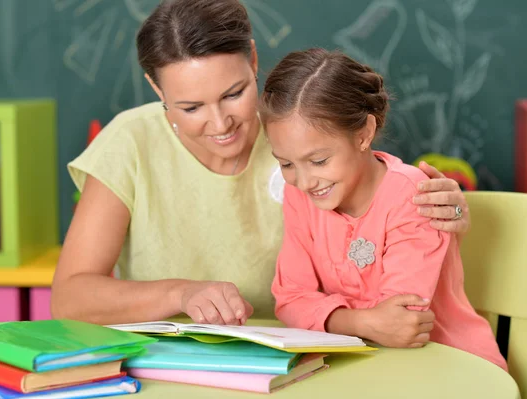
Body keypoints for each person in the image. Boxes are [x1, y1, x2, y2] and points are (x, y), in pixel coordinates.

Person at [51, 0, 471, 342]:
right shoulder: (130, 142)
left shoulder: (298, 135)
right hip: (174, 356)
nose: (219, 124)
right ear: (157, 88)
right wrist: (182, 292)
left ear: (253, 58)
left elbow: (380, 214)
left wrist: (447, 215)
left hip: (305, 350)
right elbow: (70, 298)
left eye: (233, 94)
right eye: (190, 107)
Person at [261, 48, 506, 370]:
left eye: (319, 161)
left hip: (452, 363)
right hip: (364, 364)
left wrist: (334, 317)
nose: (304, 181)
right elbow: (290, 300)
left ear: (363, 133)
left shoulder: (414, 197)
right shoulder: (299, 196)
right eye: (286, 163)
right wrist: (362, 323)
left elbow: (401, 323)